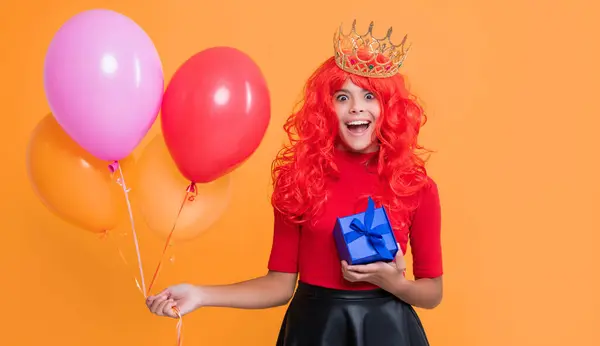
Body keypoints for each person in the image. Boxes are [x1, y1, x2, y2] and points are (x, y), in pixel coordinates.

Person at [146, 20, 443, 346]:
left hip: (389, 331)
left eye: (369, 95)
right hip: (315, 331)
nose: (356, 106)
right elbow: (279, 286)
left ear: (389, 107)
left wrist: (395, 284)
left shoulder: (416, 187)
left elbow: (432, 292)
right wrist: (200, 294)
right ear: (326, 108)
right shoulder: (299, 181)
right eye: (342, 97)